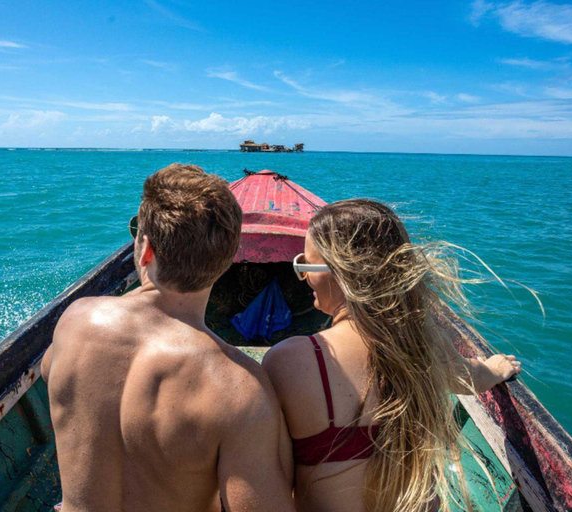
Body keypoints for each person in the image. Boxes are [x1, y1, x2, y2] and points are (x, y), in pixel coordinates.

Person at [42, 164, 295, 512]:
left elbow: (49, 371)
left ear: (145, 249)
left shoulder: (76, 322)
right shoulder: (238, 389)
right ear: (227, 261)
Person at [262, 199, 522, 512]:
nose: (303, 278)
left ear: (338, 272)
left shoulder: (290, 361)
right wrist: (495, 368)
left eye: (305, 266)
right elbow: (470, 379)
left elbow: (271, 481)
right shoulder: (423, 341)